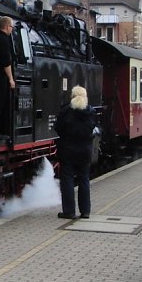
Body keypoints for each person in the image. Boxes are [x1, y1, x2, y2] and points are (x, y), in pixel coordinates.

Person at [54, 85, 97, 220]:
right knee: (84, 179)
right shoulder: (91, 112)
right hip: (85, 150)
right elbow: (93, 128)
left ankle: (69, 211)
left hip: (67, 150)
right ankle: (85, 211)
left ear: (72, 96)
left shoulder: (65, 111)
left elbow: (58, 128)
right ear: (85, 97)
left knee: (67, 180)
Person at [0, 16, 16, 138]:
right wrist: (11, 79)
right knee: (1, 103)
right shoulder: (3, 40)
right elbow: (6, 61)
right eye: (12, 27)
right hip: (1, 78)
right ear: (7, 27)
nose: (12, 30)